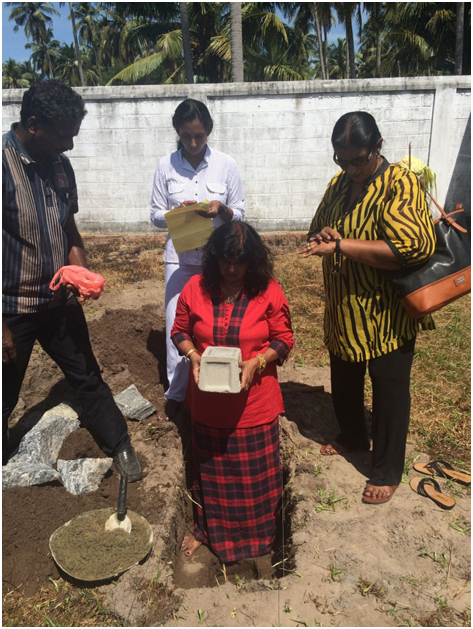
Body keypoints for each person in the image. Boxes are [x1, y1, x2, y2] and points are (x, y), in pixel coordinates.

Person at [2, 79, 142, 481]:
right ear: (33, 125)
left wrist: (79, 270)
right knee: (4, 393)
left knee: (88, 378)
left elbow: (69, 228)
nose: (71, 146)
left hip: (59, 304)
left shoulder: (61, 168)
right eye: (64, 136)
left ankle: (120, 445)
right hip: (13, 309)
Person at [298, 111, 436, 505]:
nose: (350, 168)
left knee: (390, 391)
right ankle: (354, 436)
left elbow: (409, 248)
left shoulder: (400, 184)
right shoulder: (340, 184)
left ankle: (387, 469)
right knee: (344, 378)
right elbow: (316, 229)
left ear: (377, 147)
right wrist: (322, 234)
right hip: (346, 310)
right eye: (341, 159)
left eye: (357, 160)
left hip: (386, 313)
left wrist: (341, 245)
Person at [171, 222, 294, 561]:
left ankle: (261, 543)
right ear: (214, 259)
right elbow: (179, 330)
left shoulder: (267, 290)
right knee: (212, 476)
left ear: (252, 262)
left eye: (239, 262)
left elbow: (284, 338)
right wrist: (193, 356)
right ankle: (209, 532)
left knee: (254, 481)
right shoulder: (196, 288)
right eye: (225, 260)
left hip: (254, 405)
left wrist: (258, 361)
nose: (231, 269)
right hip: (208, 403)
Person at [150, 99, 245, 421]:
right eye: (187, 136)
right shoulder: (166, 166)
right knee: (176, 326)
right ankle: (177, 395)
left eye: (199, 136)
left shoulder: (226, 165)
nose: (193, 143)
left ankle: (213, 384)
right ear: (178, 132)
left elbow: (241, 212)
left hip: (215, 260)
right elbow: (154, 214)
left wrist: (223, 210)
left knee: (215, 323)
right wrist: (179, 214)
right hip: (179, 258)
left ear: (208, 133)